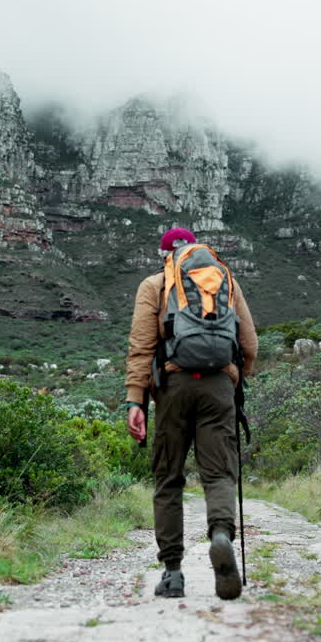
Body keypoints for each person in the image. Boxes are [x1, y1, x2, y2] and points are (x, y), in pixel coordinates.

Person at [124, 227, 258, 600]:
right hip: (219, 386)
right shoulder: (225, 279)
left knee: (168, 479)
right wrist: (234, 377)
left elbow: (141, 346)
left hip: (173, 387)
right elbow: (249, 343)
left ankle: (173, 573)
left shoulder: (154, 285)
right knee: (219, 474)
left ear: (165, 253)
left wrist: (136, 400)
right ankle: (219, 533)